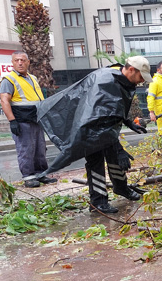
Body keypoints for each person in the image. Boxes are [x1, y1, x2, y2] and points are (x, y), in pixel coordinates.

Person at [35, 56, 150, 214]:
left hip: (105, 129)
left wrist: (129, 122)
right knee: (96, 161)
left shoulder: (120, 79)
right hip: (90, 129)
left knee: (116, 158)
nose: (141, 81)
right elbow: (101, 118)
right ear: (131, 69)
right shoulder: (107, 82)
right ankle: (98, 202)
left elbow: (115, 109)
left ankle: (121, 188)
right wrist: (118, 148)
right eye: (140, 77)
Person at [0, 51, 57, 188]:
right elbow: (4, 101)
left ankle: (41, 174)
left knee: (40, 148)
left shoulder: (32, 78)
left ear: (28, 62)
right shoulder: (9, 80)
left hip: (36, 119)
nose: (20, 63)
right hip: (21, 120)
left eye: (23, 60)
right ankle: (29, 177)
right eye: (17, 60)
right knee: (26, 149)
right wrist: (12, 121)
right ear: (12, 62)